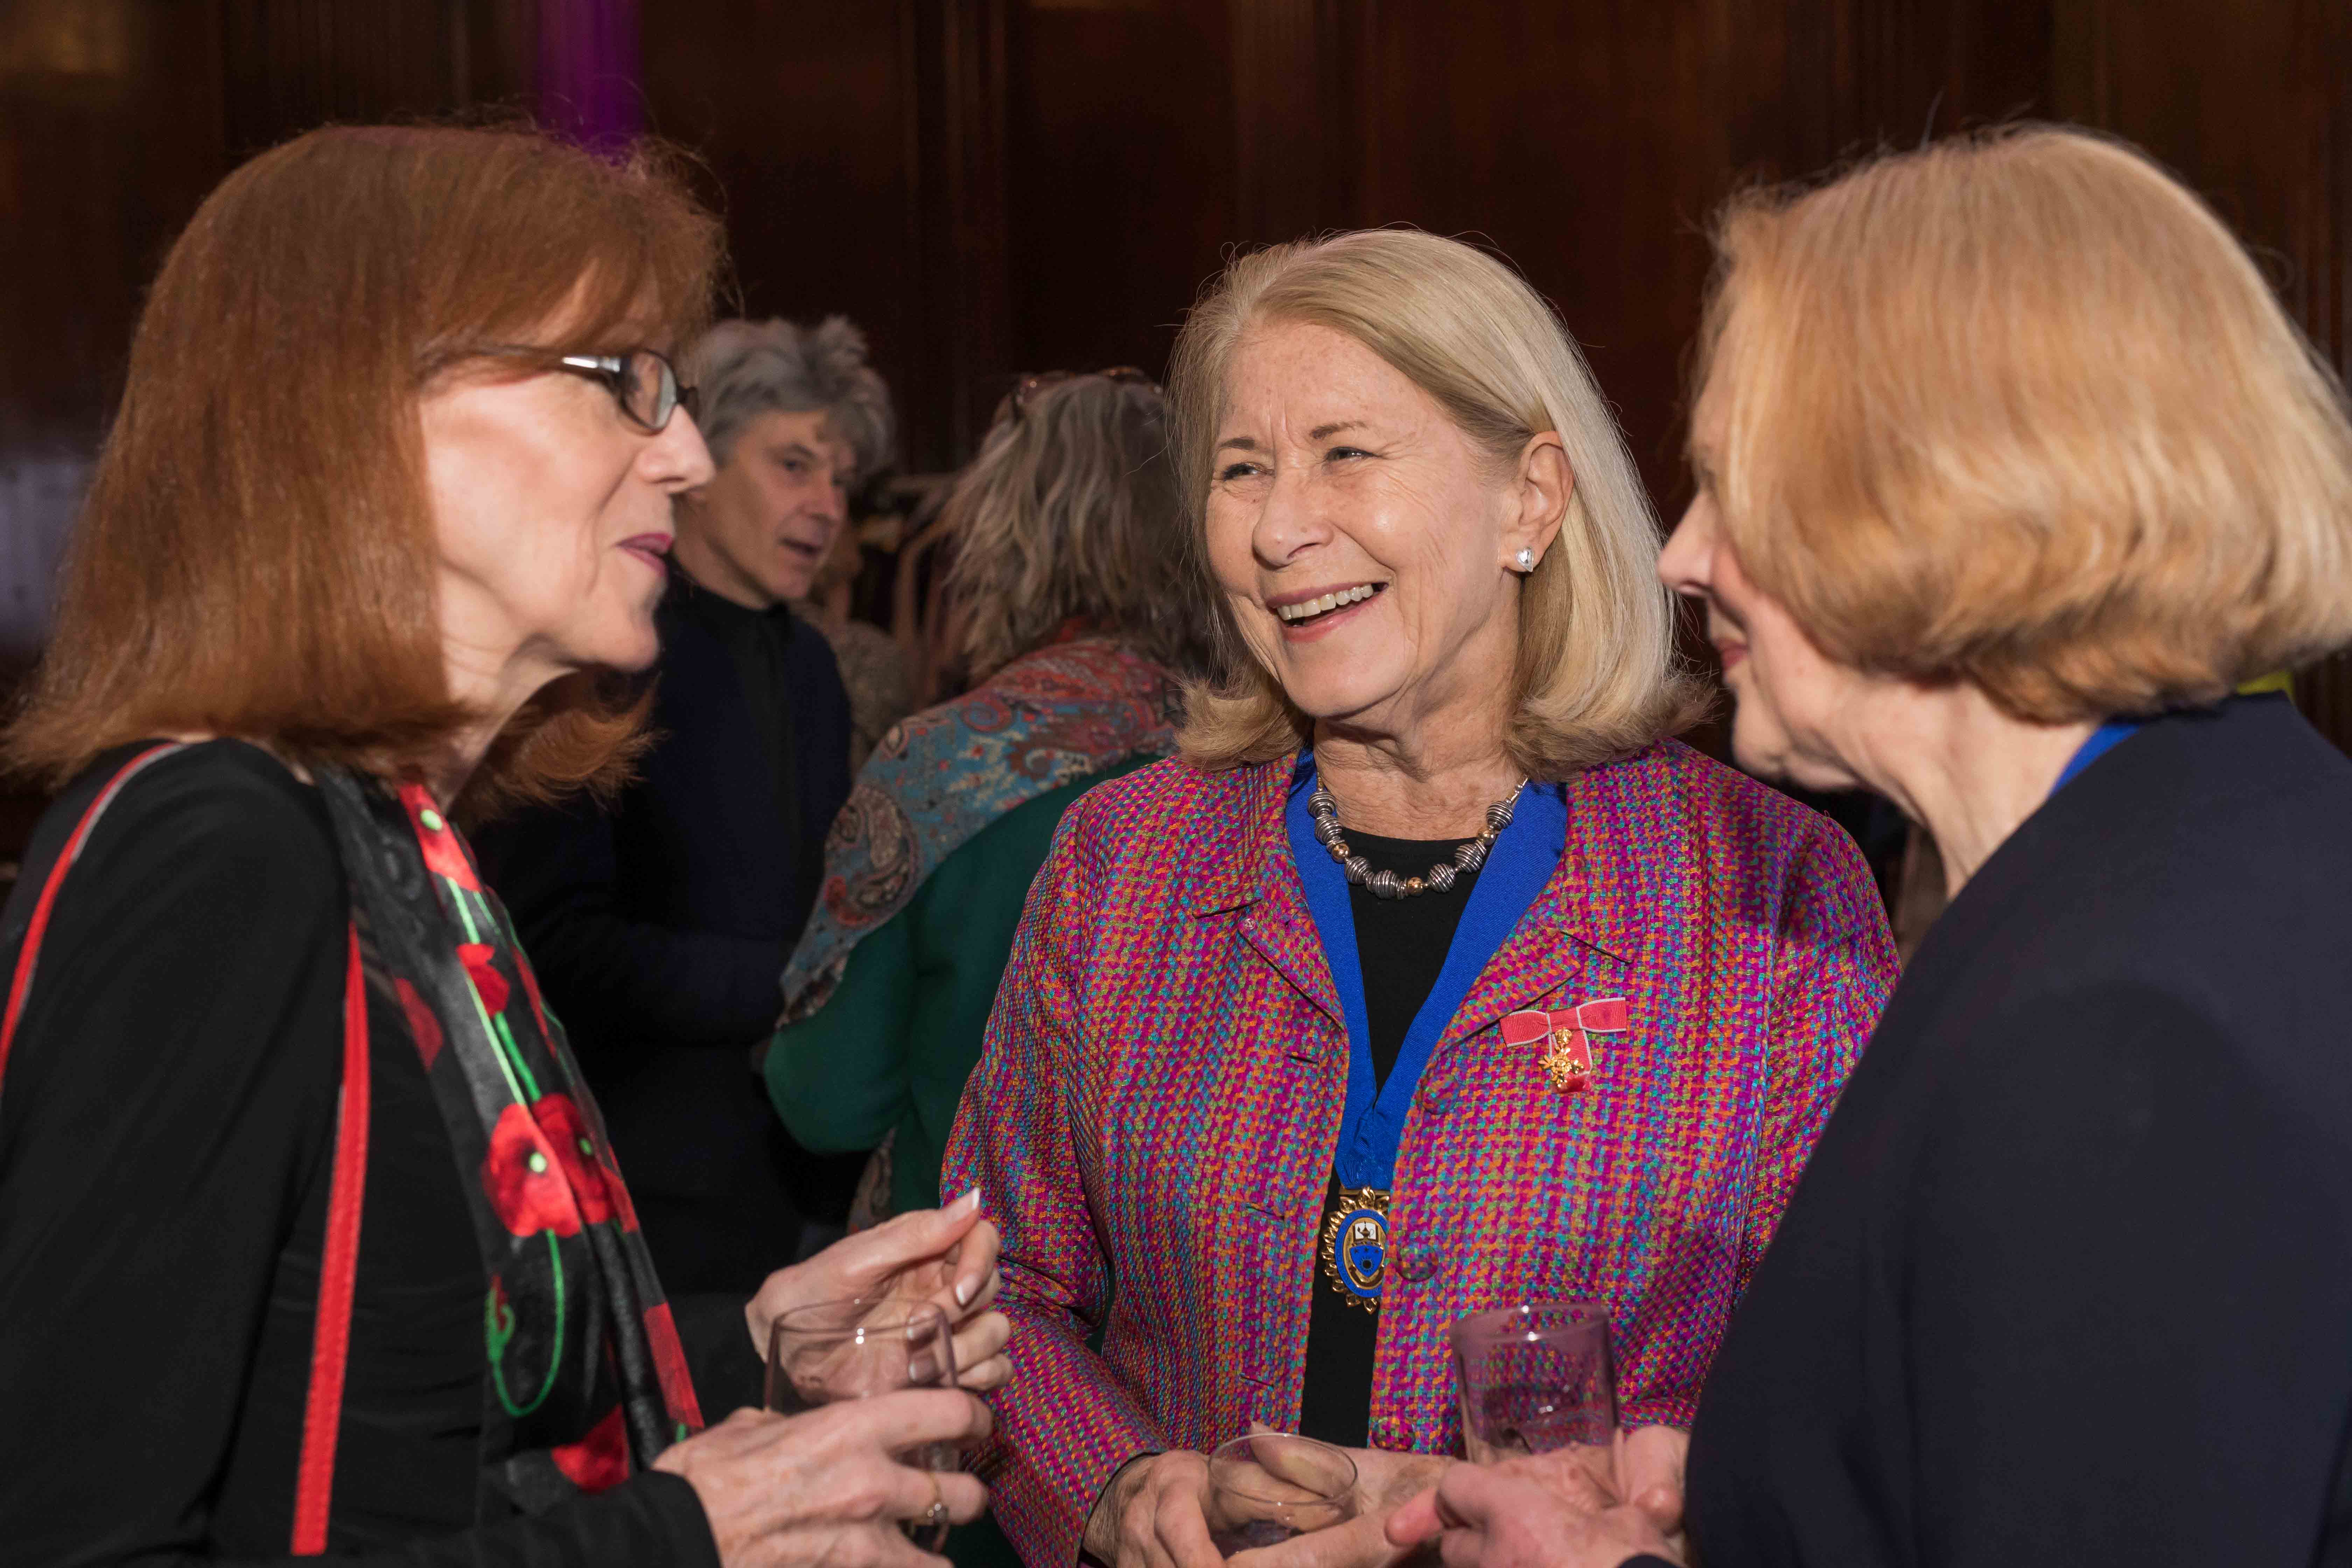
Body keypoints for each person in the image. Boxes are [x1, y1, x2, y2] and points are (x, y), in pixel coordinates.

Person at [0, 124, 1007, 1568]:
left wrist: (763, 1352)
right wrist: (693, 1532)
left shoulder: (408, 848)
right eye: (627, 382)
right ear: (364, 406)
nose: (682, 451)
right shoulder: (215, 846)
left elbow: (419, 1410)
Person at [1389, 126, 2352, 1568]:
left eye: (1733, 482)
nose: (1682, 553)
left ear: (1926, 494)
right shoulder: (2206, 830)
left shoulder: (2115, 1028)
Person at [939, 229, 1899, 1568]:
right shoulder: (1125, 865)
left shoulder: (1766, 891)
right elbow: (1000, 1293)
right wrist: (1112, 1485)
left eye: (1345, 452)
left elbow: (1863, 1391)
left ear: (1531, 502)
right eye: (1240, 469)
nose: (1279, 528)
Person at [474, 314, 892, 1293]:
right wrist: (792, 986)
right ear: (698, 463)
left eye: (840, 482)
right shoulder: (607, 652)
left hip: (802, 1183)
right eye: (794, 466)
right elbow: (548, 946)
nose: (827, 508)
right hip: (643, 1195)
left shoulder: (814, 666)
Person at [767, 368, 1213, 1224]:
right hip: (1202, 1313)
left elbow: (824, 1100)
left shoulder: (938, 767)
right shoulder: (1273, 759)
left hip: (978, 1298)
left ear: (1006, 538)